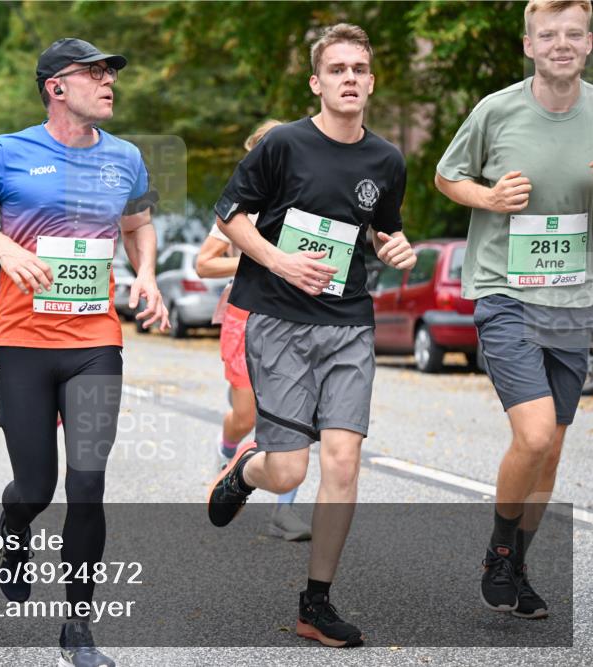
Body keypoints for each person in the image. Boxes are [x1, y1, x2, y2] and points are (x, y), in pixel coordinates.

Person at [0, 37, 167, 667]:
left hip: (95, 341)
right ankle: (14, 525)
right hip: (22, 341)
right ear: (56, 87)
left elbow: (138, 224)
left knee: (88, 484)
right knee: (36, 487)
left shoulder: (125, 157)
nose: (108, 81)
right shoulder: (9, 151)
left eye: (110, 73)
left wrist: (147, 276)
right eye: (94, 73)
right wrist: (4, 247)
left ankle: (78, 628)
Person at [206, 24, 416, 647]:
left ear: (371, 82)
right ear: (316, 83)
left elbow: (382, 230)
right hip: (278, 320)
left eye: (359, 69)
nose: (350, 78)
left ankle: (315, 603)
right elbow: (229, 215)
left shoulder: (387, 160)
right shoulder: (283, 145)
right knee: (288, 468)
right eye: (337, 69)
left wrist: (396, 247)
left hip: (348, 322)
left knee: (343, 460)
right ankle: (247, 470)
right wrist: (279, 261)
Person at [434, 0, 592, 620]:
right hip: (506, 292)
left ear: (589, 43)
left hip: (574, 300)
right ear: (529, 45)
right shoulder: (495, 110)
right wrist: (491, 198)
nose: (561, 44)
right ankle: (500, 553)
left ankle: (518, 567)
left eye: (573, 33)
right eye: (548, 35)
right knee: (534, 433)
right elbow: (447, 177)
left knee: (550, 450)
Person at [197, 119, 312, 543]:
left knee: (293, 417)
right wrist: (263, 257)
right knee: (245, 414)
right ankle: (227, 460)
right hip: (245, 315)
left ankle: (284, 512)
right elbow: (204, 264)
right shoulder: (242, 205)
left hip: (297, 318)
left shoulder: (307, 204)